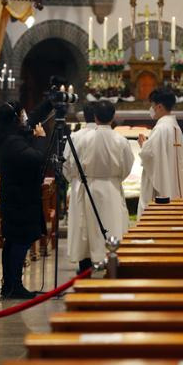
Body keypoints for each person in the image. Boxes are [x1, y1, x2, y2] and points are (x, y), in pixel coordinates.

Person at [0, 99, 52, 299]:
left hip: (18, 196)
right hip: (20, 199)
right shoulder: (12, 141)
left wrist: (49, 102)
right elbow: (35, 158)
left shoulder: (10, 133)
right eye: (22, 114)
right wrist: (41, 138)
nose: (26, 117)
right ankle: (14, 285)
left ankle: (10, 284)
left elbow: (32, 118)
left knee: (14, 241)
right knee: (20, 241)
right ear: (17, 117)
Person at [67, 101, 134, 266]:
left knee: (88, 230)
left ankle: (87, 266)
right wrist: (114, 179)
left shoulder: (83, 139)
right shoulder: (121, 140)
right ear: (113, 118)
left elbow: (72, 166)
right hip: (111, 188)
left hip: (89, 187)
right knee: (111, 225)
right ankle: (111, 264)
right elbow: (127, 166)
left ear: (95, 118)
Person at [137, 88, 183, 217]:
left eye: (152, 106)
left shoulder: (160, 128)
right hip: (173, 178)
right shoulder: (175, 127)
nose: (151, 109)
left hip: (161, 185)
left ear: (160, 106)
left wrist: (143, 145)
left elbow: (150, 155)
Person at [62, 104, 97, 273]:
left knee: (81, 225)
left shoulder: (75, 136)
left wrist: (74, 181)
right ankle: (102, 259)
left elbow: (66, 164)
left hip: (79, 186)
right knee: (99, 222)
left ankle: (84, 264)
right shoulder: (108, 136)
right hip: (102, 186)